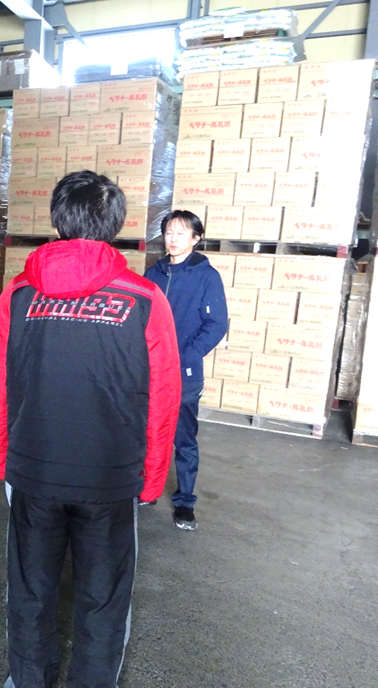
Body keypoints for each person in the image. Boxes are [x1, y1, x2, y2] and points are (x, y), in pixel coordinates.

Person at [0, 171, 182, 688]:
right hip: (109, 479)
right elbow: (163, 397)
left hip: (34, 473)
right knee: (103, 600)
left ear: (57, 221)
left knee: (30, 593)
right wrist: (151, 480)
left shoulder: (19, 295)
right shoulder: (143, 299)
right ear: (115, 226)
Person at [144, 209, 228, 531]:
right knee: (149, 433)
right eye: (169, 232)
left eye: (181, 233)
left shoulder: (206, 277)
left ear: (196, 238)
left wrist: (184, 357)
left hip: (183, 374)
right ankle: (148, 489)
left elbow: (216, 324)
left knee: (183, 439)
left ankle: (184, 503)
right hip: (151, 370)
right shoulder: (154, 273)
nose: (173, 238)